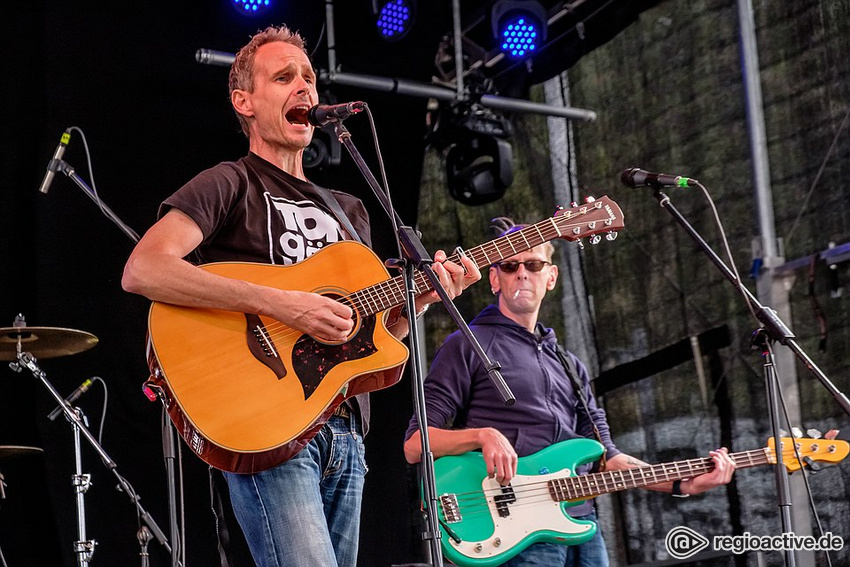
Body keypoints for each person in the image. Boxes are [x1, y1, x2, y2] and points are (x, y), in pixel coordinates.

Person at [122, 24, 480, 567]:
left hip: (345, 432)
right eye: (284, 76)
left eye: (309, 78)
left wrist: (422, 300)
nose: (304, 89)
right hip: (268, 424)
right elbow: (144, 269)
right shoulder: (230, 182)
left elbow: (369, 336)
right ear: (243, 100)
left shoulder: (349, 210)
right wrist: (283, 304)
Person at [403, 219, 736, 567]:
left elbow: (607, 457)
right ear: (493, 278)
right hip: (510, 531)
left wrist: (682, 484)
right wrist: (482, 436)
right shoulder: (467, 344)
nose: (522, 274)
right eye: (510, 265)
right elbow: (415, 444)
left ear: (551, 277)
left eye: (533, 265)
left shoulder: (570, 365)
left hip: (581, 526)